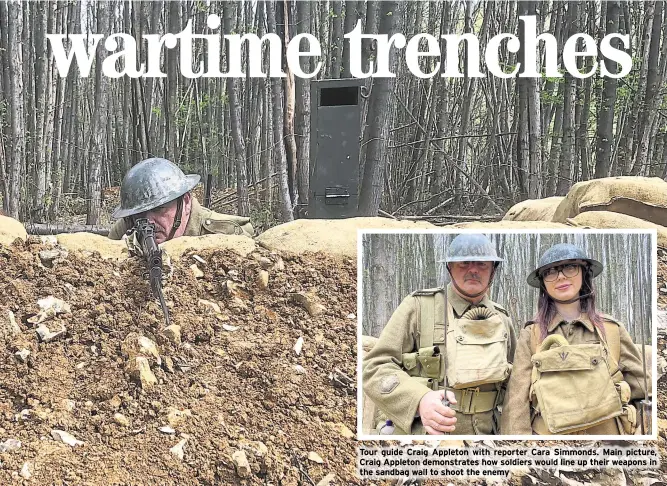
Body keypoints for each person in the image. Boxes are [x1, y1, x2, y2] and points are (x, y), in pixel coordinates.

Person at [363, 234, 517, 435]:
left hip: (485, 437)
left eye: (482, 264)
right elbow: (375, 367)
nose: (473, 270)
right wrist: (419, 400)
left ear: (493, 270)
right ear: (449, 268)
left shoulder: (502, 319)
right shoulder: (419, 307)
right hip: (425, 439)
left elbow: (516, 382)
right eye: (464, 263)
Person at [502, 243, 648, 435]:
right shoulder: (532, 334)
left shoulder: (612, 330)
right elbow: (517, 402)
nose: (561, 276)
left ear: (584, 273)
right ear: (543, 283)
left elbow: (644, 392)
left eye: (570, 267)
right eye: (550, 272)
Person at [108, 158, 254, 243]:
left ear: (186, 202)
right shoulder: (126, 227)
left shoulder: (222, 234)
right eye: (140, 213)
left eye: (159, 209)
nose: (149, 221)